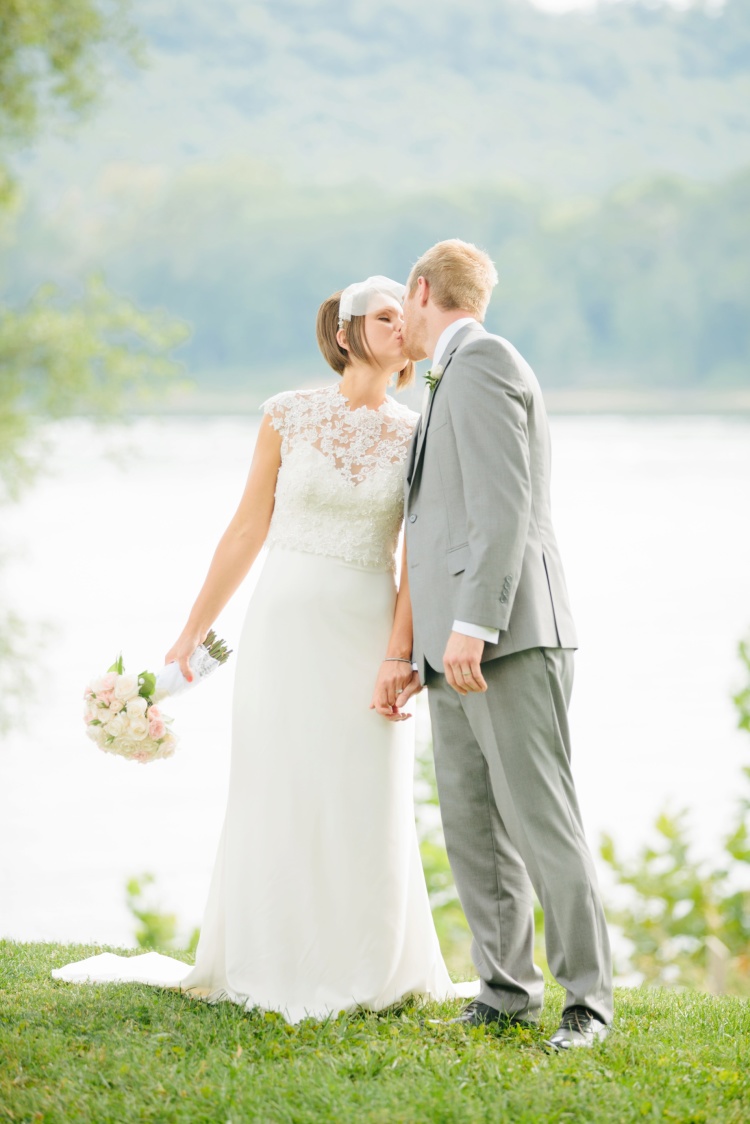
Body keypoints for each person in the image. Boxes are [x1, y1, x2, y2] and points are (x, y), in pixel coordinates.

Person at [53, 275, 472, 1023]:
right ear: (345, 333)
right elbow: (246, 530)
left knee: (360, 792)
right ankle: (269, 956)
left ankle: (365, 963)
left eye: (400, 316)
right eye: (383, 316)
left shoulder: (418, 431)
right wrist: (188, 632)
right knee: (275, 782)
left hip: (365, 630)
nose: (399, 325)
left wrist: (399, 653)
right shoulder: (286, 415)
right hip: (282, 626)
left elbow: (418, 553)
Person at [378, 239, 613, 1050]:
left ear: (421, 292)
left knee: (542, 821)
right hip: (454, 647)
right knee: (472, 822)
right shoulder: (449, 376)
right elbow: (437, 520)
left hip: (506, 638)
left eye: (399, 309)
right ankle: (505, 991)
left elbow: (504, 509)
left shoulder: (481, 362)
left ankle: (586, 1005)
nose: (396, 327)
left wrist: (472, 627)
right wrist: (421, 649)